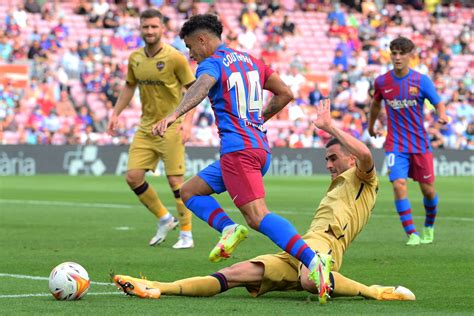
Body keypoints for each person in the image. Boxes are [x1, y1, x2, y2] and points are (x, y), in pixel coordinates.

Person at [112, 99, 416, 303]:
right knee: (235, 274)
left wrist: (330, 127)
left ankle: (372, 291)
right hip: (303, 246)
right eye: (326, 159)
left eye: (333, 157)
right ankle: (156, 288)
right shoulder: (338, 183)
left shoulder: (364, 178)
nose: (329, 164)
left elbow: (365, 155)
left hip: (326, 248)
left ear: (349, 158)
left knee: (311, 281)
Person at [152, 14, 331, 302]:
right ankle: (228, 228)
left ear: (202, 39)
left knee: (258, 217)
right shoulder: (251, 61)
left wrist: (174, 115)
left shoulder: (210, 63)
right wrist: (258, 120)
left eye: (190, 47)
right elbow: (285, 93)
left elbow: (201, 87)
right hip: (259, 148)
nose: (190, 54)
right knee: (189, 191)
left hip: (239, 152)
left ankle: (313, 261)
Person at [107, 9, 196, 249]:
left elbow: (193, 90)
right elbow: (128, 87)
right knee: (133, 177)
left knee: (176, 182)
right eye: (145, 27)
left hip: (171, 125)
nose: (150, 31)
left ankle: (186, 234)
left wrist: (187, 123)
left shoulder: (175, 57)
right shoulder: (135, 58)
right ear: (140, 28)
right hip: (146, 127)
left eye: (154, 27)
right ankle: (165, 218)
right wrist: (116, 113)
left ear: (162, 29)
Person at [368, 37, 448, 246]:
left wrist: (443, 115)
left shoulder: (422, 81)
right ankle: (412, 233)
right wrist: (370, 126)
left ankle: (429, 226)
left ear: (411, 55)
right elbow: (375, 105)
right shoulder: (382, 81)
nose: (397, 57)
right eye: (393, 53)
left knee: (428, 190)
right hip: (395, 144)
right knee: (398, 184)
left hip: (420, 144)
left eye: (401, 53)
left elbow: (438, 103)